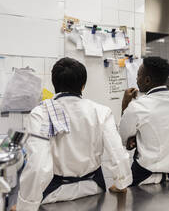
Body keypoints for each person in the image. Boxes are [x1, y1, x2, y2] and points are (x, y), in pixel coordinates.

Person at [13, 57, 132, 211]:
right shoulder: (101, 111)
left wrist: (25, 206)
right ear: (83, 86)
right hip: (94, 189)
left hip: (54, 195)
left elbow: (38, 165)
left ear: (54, 84)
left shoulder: (41, 113)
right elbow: (117, 152)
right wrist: (122, 182)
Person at [119, 56, 169, 186]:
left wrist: (125, 105)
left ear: (147, 80)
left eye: (138, 75)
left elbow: (123, 138)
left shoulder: (138, 106)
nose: (136, 78)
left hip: (143, 177)